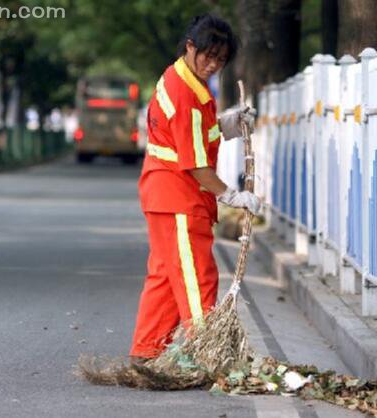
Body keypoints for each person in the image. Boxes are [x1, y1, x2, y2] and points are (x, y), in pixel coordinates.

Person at [129, 14, 261, 364]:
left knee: (166, 276)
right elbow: (194, 162)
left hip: (164, 194)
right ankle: (210, 355)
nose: (212, 65)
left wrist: (228, 125)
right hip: (178, 197)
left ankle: (146, 351)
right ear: (191, 46)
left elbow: (195, 135)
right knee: (196, 276)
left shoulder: (180, 79)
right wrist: (230, 195)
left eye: (220, 60)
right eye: (207, 55)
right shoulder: (186, 93)